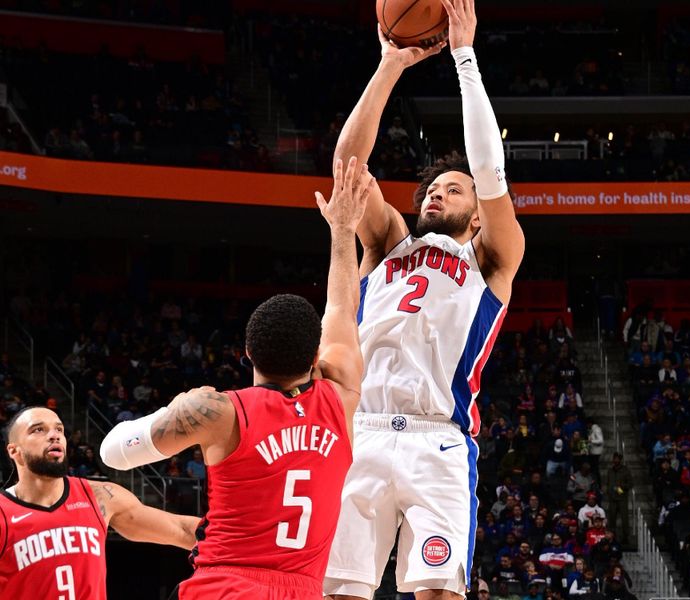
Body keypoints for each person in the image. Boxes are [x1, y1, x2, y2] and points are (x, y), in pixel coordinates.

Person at [323, 2, 525, 600]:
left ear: (475, 211)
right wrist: (389, 66)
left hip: (439, 439)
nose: (438, 193)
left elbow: (490, 172)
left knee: (438, 594)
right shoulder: (388, 241)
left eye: (452, 188)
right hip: (360, 430)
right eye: (432, 187)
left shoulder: (491, 258)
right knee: (338, 592)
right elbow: (347, 168)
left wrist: (464, 58)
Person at [100, 158, 372, 599]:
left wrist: (177, 408)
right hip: (302, 590)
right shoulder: (341, 399)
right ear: (316, 357)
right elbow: (342, 309)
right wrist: (343, 230)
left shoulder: (216, 411)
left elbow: (112, 453)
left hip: (223, 586)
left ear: (246, 352)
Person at [0, 406, 199, 599]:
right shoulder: (3, 513)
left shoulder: (100, 496)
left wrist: (227, 531)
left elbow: (181, 529)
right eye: (38, 429)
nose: (54, 435)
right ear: (14, 450)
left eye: (58, 429)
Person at [605, 452, 632, 546]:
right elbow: (608, 483)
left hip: (622, 498)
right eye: (614, 458)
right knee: (611, 519)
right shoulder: (610, 470)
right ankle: (613, 538)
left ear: (620, 460)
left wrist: (620, 487)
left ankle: (626, 538)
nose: (615, 460)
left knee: (624, 519)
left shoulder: (626, 470)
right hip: (612, 499)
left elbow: (630, 484)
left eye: (617, 458)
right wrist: (608, 491)